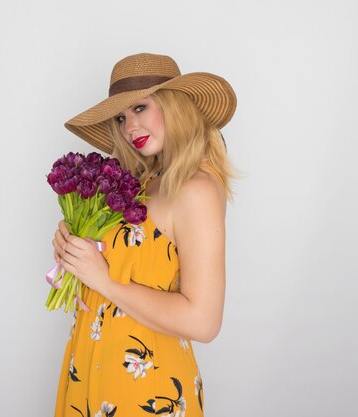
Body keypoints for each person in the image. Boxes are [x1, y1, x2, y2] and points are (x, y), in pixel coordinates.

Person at [51, 52, 237, 417]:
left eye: (139, 108)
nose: (129, 127)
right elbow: (122, 266)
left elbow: (204, 321)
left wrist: (103, 281)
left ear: (175, 105)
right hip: (91, 370)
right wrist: (73, 248)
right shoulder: (142, 183)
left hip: (144, 386)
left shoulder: (195, 190)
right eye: (121, 117)